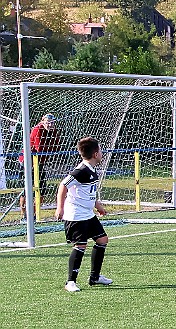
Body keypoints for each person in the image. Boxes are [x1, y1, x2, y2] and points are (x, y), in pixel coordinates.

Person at [54, 136, 112, 293]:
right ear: (95, 154)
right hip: (76, 215)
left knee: (102, 239)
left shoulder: (92, 170)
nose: (102, 153)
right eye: (100, 150)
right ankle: (70, 282)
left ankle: (95, 277)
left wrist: (99, 207)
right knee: (80, 245)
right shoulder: (81, 171)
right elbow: (63, 185)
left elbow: (89, 193)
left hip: (87, 213)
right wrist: (60, 208)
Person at [19, 113, 62, 213]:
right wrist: (50, 148)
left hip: (39, 163)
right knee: (26, 190)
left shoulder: (54, 131)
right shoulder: (37, 129)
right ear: (42, 121)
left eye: (52, 123)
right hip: (27, 161)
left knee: (42, 189)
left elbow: (57, 146)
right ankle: (23, 215)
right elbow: (40, 148)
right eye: (48, 123)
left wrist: (50, 148)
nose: (50, 125)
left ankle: (34, 215)